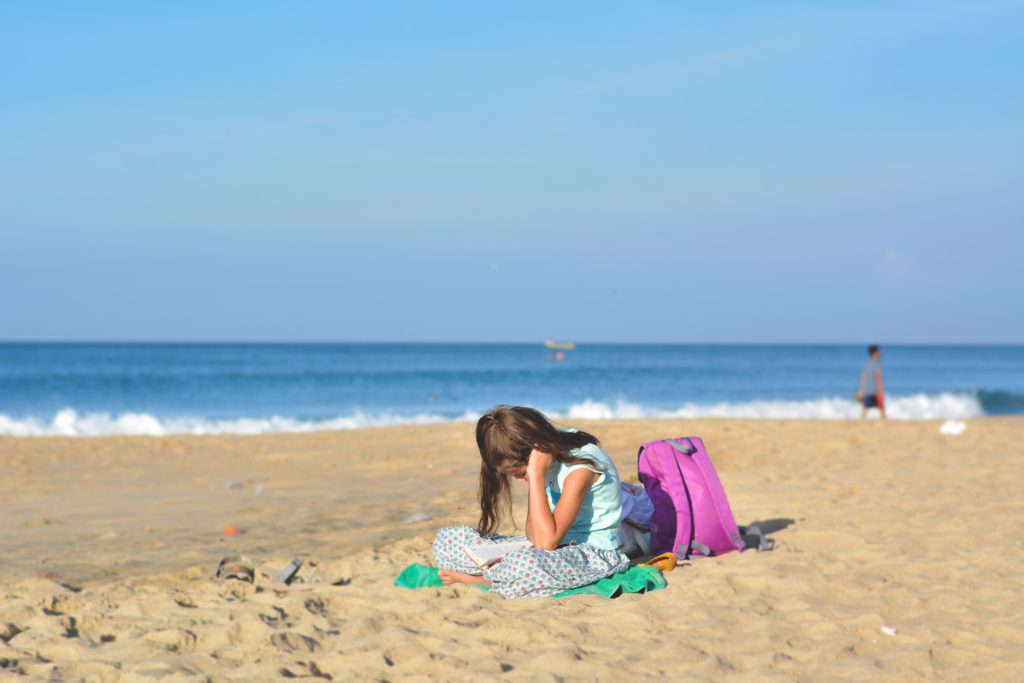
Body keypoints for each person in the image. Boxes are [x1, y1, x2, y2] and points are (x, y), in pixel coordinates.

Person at [432, 405, 630, 598]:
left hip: (594, 554)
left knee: (525, 565)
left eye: (520, 474)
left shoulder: (580, 468)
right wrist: (535, 476)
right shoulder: (545, 460)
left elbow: (545, 543)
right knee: (448, 540)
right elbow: (533, 535)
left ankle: (483, 580)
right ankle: (500, 573)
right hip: (553, 547)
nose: (519, 480)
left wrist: (535, 475)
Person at [856, 345, 886, 419]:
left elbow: (862, 378)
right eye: (879, 352)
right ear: (875, 353)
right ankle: (884, 421)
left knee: (866, 408)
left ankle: (860, 420)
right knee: (881, 408)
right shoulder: (877, 363)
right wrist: (881, 391)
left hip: (867, 391)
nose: (880, 353)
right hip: (875, 391)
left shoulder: (867, 364)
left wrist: (862, 390)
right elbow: (878, 378)